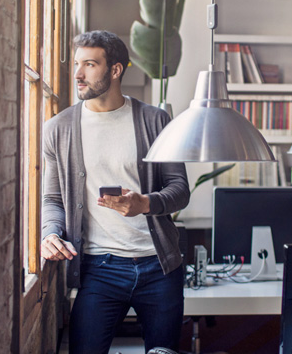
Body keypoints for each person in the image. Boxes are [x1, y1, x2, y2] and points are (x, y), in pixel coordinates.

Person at [40, 30, 190, 354]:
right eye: (77, 64)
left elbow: (180, 190)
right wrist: (49, 233)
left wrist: (145, 204)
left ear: (116, 70)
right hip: (100, 270)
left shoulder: (155, 120)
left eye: (90, 64)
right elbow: (52, 199)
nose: (78, 74)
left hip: (159, 267)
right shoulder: (58, 129)